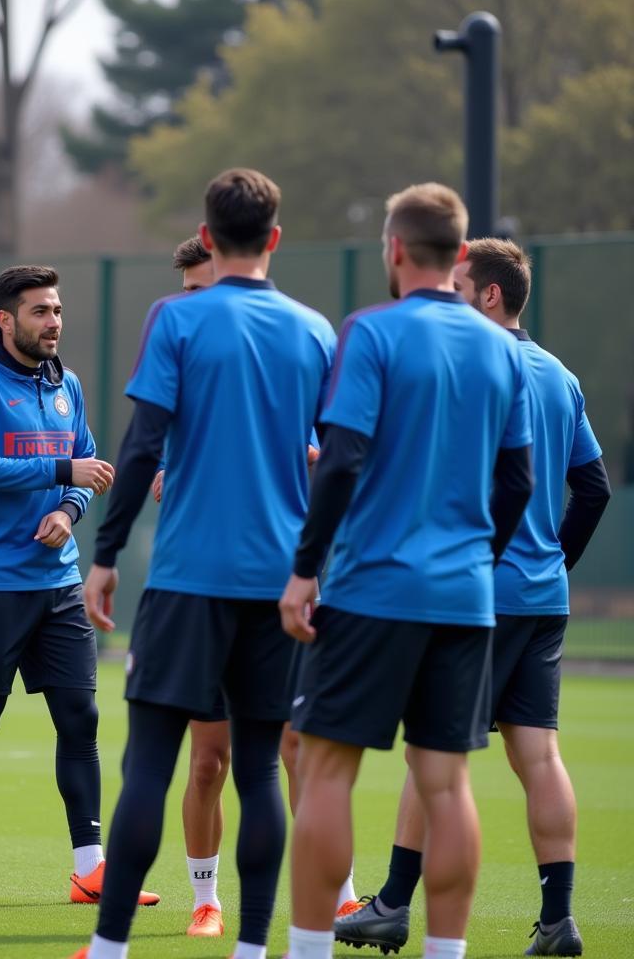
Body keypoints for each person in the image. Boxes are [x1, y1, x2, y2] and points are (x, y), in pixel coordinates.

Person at [71, 167, 337, 959]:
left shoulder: (176, 319)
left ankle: (112, 946)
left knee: (151, 760)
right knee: (260, 769)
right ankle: (255, 947)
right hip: (275, 583)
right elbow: (337, 458)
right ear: (276, 238)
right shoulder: (317, 331)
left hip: (187, 579)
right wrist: (311, 565)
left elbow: (143, 441)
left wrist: (106, 554)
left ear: (209, 237)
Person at [333, 239, 610, 958]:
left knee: (434, 754)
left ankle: (392, 905)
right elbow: (594, 487)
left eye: (459, 284)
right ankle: (559, 921)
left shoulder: (470, 369)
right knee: (539, 757)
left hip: (475, 593)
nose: (447, 294)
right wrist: (553, 558)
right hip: (543, 596)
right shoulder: (560, 374)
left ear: (489, 294)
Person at [280, 184, 536, 959]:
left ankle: (310, 949)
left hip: (372, 590)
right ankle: (445, 953)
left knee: (325, 772)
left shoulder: (371, 332)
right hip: (464, 598)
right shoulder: (505, 348)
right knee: (447, 784)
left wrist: (304, 570)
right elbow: (520, 482)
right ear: (460, 256)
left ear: (393, 250)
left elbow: (343, 460)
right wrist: (472, 562)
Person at [0, 265, 157, 908]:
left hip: (60, 581)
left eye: (57, 309)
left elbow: (90, 471)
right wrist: (58, 469)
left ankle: (91, 869)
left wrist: (68, 509)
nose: (54, 321)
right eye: (39, 311)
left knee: (80, 717)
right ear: (6, 320)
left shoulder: (66, 383)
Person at [161, 236, 352, 941]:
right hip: (204, 588)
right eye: (185, 292)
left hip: (282, 588)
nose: (191, 303)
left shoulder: (291, 354)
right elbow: (158, 448)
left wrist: (310, 459)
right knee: (209, 758)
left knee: (299, 748)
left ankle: (338, 894)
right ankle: (206, 900)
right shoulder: (179, 353)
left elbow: (331, 452)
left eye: (199, 287)